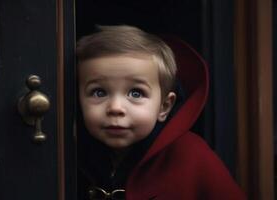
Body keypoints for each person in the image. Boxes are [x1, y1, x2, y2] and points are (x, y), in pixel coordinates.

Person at [76, 25, 245, 200]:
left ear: (164, 106)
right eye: (99, 92)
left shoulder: (192, 155)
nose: (116, 108)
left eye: (136, 93)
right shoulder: (69, 155)